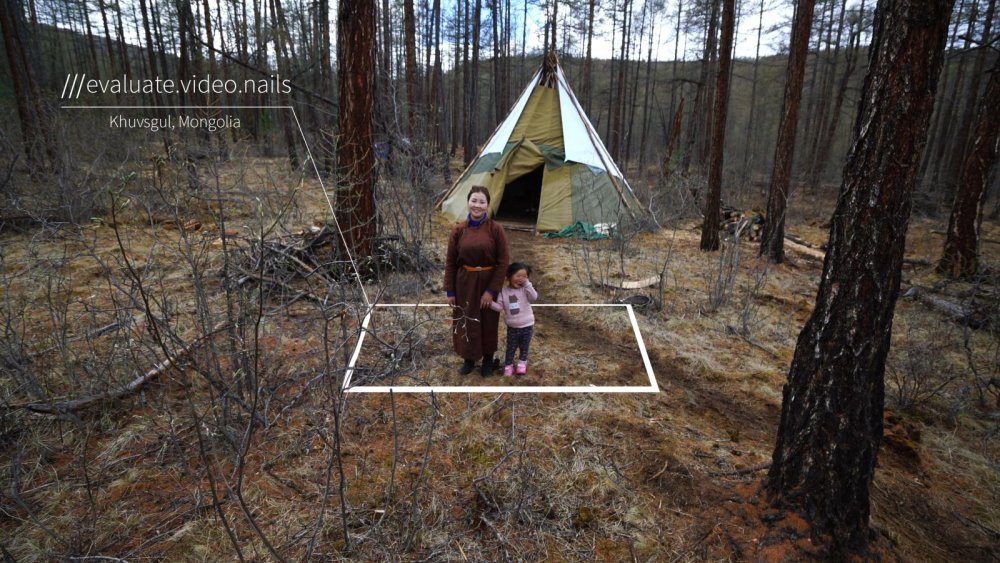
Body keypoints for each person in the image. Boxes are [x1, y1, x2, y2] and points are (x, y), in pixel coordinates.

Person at [444, 186, 510, 376]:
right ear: (468, 202)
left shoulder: (495, 230)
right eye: (474, 200)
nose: (477, 205)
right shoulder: (458, 230)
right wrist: (450, 290)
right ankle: (469, 358)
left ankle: (488, 359)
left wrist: (492, 291)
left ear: (488, 204)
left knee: (488, 321)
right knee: (466, 319)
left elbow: (503, 261)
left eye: (482, 202)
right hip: (464, 282)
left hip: (488, 281)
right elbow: (450, 261)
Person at [490, 262, 537, 376]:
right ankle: (508, 365)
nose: (521, 279)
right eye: (518, 276)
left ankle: (521, 364)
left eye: (525, 277)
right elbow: (499, 307)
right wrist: (489, 303)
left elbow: (534, 297)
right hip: (513, 327)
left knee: (524, 347)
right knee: (511, 347)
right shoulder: (503, 291)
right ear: (509, 276)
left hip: (527, 325)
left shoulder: (525, 290)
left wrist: (528, 284)